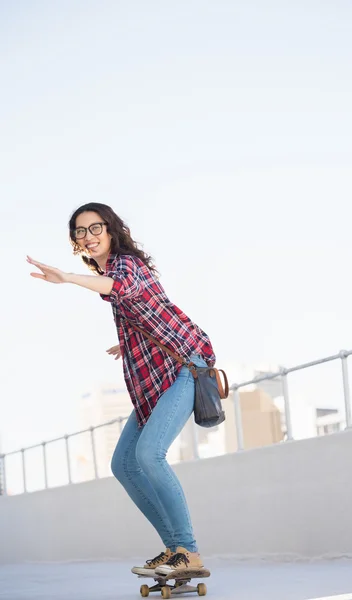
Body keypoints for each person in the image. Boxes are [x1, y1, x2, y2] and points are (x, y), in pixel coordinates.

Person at [27, 202, 216, 577]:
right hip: (156, 378)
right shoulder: (109, 270)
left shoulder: (126, 264)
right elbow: (136, 303)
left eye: (95, 228)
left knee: (149, 453)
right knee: (124, 464)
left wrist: (66, 277)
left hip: (183, 368)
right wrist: (128, 341)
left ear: (111, 230)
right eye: (80, 231)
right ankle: (173, 548)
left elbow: (119, 287)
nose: (89, 236)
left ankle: (189, 551)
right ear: (76, 241)